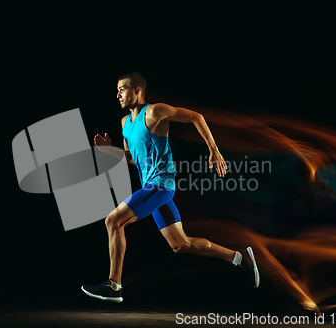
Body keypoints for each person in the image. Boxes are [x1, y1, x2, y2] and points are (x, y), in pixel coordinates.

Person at [81, 73, 259, 303]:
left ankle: (114, 285)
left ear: (138, 90)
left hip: (161, 185)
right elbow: (132, 158)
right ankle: (240, 257)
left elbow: (197, 117)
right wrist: (110, 151)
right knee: (180, 244)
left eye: (123, 89)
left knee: (113, 221)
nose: (118, 95)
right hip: (151, 188)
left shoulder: (154, 112)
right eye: (117, 90)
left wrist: (214, 150)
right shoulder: (125, 124)